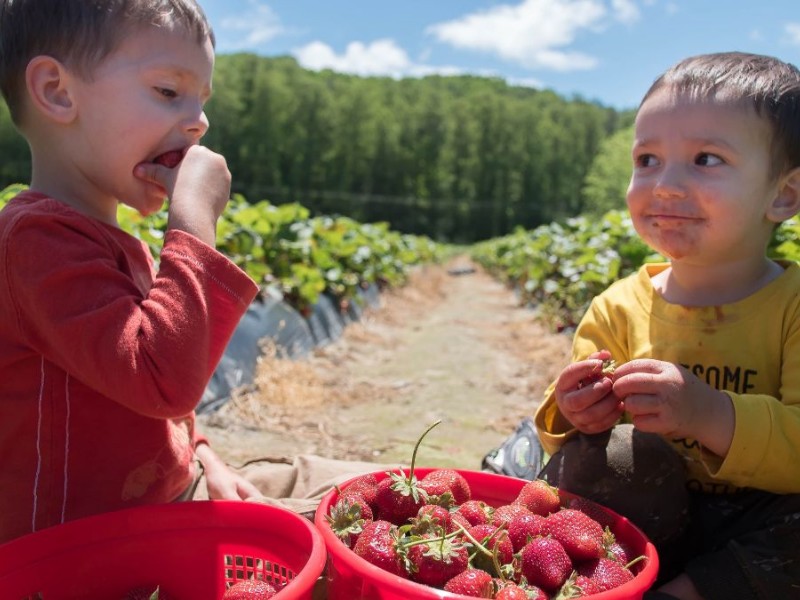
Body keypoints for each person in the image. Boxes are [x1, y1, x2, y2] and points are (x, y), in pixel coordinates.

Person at [534, 51, 800, 600]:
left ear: (783, 195)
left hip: (759, 531)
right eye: (647, 159)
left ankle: (685, 591)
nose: (666, 185)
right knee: (609, 457)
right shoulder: (617, 307)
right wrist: (573, 410)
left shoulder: (792, 306)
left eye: (705, 159)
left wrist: (710, 412)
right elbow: (575, 447)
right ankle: (618, 579)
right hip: (642, 521)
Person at [0, 0, 265, 545]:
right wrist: (191, 223)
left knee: (361, 496)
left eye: (202, 101)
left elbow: (150, 408)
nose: (198, 120)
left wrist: (201, 453)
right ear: (57, 91)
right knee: (344, 522)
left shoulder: (102, 238)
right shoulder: (34, 242)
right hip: (80, 556)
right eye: (169, 92)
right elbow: (161, 380)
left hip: (160, 507)